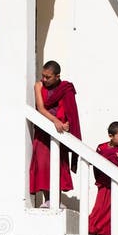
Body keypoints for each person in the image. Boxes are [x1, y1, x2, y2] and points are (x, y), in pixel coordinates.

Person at [29, 60, 81, 207]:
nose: (44, 80)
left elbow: (70, 110)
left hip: (59, 133)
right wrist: (55, 121)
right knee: (44, 164)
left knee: (59, 164)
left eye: (48, 77)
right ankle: (47, 199)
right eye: (43, 76)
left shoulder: (65, 88)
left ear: (57, 76)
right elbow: (40, 108)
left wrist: (66, 124)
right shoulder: (38, 86)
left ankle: (56, 199)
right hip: (44, 131)